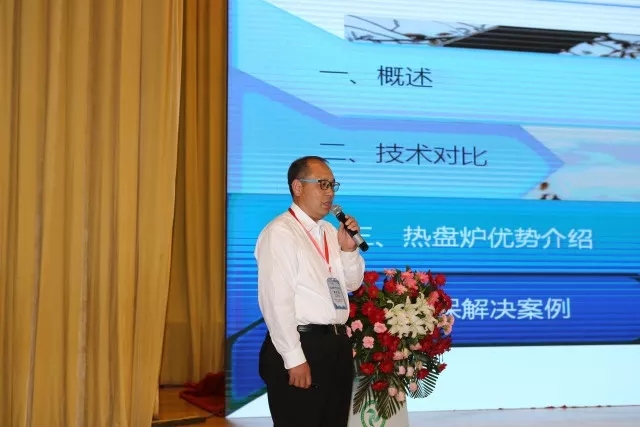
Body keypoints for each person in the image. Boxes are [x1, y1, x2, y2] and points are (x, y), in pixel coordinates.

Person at [255, 156, 365, 427]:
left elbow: (352, 284)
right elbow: (276, 302)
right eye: (322, 184)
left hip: (335, 346)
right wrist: (293, 359)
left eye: (332, 185)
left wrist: (348, 251)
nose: (330, 193)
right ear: (298, 187)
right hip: (303, 345)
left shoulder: (328, 230)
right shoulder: (281, 232)